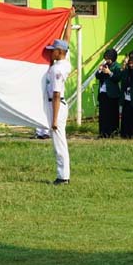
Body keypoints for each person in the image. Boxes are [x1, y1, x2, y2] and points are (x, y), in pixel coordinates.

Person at [44, 20, 74, 185]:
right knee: (58, 140)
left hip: (56, 105)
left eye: (53, 50)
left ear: (60, 52)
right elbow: (67, 39)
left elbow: (56, 94)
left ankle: (63, 176)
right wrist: (70, 20)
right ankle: (64, 175)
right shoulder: (65, 61)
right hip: (59, 104)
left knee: (59, 142)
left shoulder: (57, 69)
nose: (51, 53)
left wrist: (54, 119)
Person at [95, 48, 121, 137]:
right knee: (103, 115)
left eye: (109, 58)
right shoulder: (105, 65)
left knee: (112, 114)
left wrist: (109, 72)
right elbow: (97, 76)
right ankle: (103, 132)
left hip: (112, 94)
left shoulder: (117, 66)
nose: (107, 60)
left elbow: (117, 78)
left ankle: (113, 132)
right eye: (106, 58)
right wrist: (99, 70)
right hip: (103, 93)